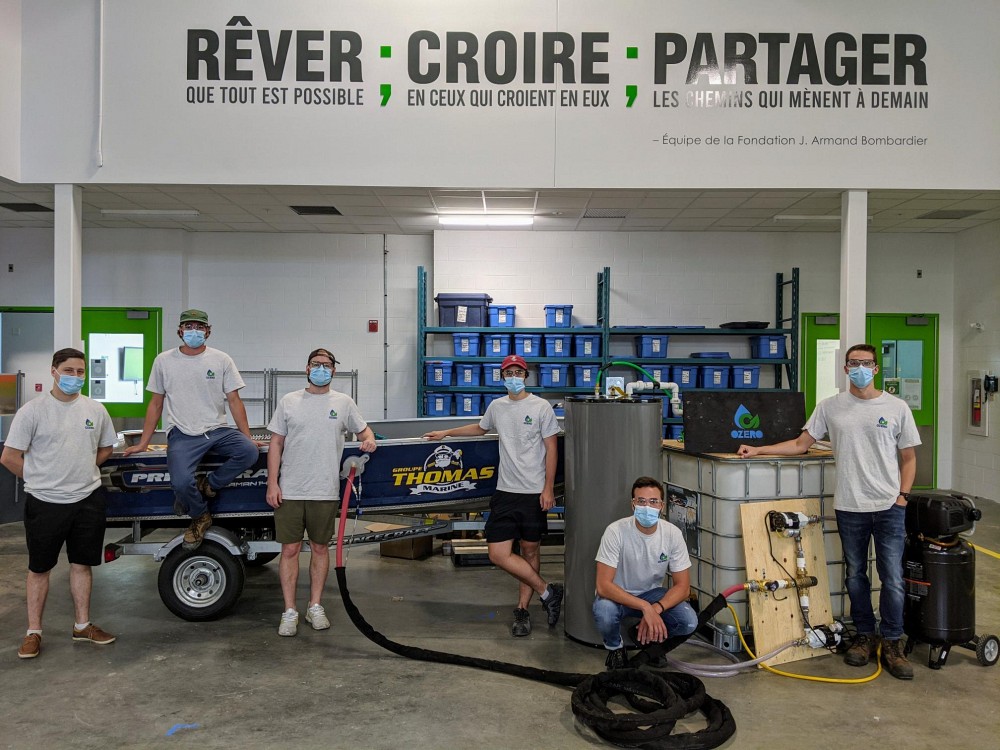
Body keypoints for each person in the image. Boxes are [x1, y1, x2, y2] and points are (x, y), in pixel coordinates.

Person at [737, 343, 920, 680]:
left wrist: (902, 498)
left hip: (889, 507)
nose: (860, 368)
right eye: (854, 363)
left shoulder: (896, 407)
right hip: (850, 506)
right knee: (855, 575)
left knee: (892, 578)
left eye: (866, 363)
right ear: (846, 368)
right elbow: (800, 444)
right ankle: (864, 636)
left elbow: (908, 458)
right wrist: (759, 449)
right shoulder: (831, 407)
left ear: (876, 368)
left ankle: (893, 642)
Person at [423, 353, 563, 637]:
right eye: (508, 373)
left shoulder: (541, 407)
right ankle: (548, 592)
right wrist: (447, 432)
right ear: (502, 377)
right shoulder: (497, 406)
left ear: (526, 376)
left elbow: (552, 449)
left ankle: (522, 610)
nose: (513, 377)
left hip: (533, 492)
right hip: (505, 491)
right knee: (498, 554)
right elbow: (480, 427)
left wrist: (548, 488)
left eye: (518, 372)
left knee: (530, 550)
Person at [1, 348, 118, 659]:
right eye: (68, 371)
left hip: (87, 499)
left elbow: (106, 447)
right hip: (45, 502)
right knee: (39, 568)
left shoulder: (95, 409)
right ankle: (33, 632)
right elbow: (9, 457)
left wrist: (83, 469)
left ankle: (82, 625)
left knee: (82, 564)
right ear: (53, 371)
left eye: (80, 372)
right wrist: (41, 478)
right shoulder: (33, 411)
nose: (75, 377)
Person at [123, 309, 259, 551]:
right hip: (182, 433)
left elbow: (234, 401)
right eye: (188, 327)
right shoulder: (164, 361)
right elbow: (155, 404)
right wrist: (144, 442)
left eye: (199, 327)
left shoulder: (221, 359)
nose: (193, 331)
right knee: (182, 483)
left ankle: (208, 484)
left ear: (208, 331)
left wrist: (247, 437)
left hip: (217, 429)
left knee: (249, 452)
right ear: (180, 331)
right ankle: (200, 515)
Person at [265, 348, 377, 637]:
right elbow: (276, 443)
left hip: (325, 490)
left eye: (327, 365)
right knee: (289, 549)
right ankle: (289, 610)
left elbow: (365, 432)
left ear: (333, 371)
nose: (321, 369)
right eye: (316, 364)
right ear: (307, 368)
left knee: (319, 548)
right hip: (290, 489)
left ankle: (315, 605)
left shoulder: (343, 402)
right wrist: (272, 483)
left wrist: (369, 440)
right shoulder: (289, 401)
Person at [592, 476, 699, 670]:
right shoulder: (615, 532)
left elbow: (683, 587)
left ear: (662, 506)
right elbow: (603, 586)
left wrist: (655, 608)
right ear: (633, 504)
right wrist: (645, 608)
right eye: (641, 501)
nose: (647, 507)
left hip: (652, 595)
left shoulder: (672, 534)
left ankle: (650, 642)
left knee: (689, 621)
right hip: (618, 595)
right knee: (604, 612)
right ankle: (616, 648)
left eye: (653, 501)